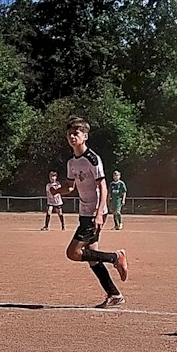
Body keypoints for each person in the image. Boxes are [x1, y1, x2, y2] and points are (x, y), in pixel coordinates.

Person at [51, 117, 129, 308]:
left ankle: (115, 257)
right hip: (84, 212)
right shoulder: (71, 163)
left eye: (76, 133)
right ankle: (114, 295)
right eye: (69, 133)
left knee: (73, 252)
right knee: (92, 257)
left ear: (84, 136)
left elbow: (103, 187)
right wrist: (57, 190)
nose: (72, 136)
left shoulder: (92, 159)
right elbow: (71, 187)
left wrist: (99, 213)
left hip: (95, 212)